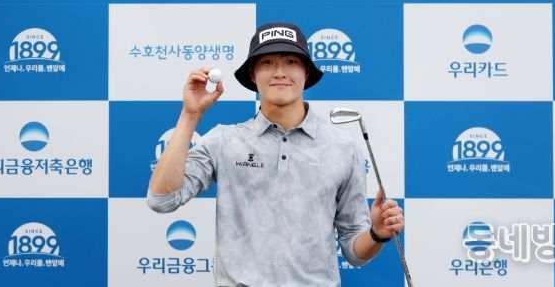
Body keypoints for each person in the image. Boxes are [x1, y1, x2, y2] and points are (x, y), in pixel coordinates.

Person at [147, 22, 405, 286]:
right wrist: (190, 115)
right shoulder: (224, 140)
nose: (280, 72)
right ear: (252, 74)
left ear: (306, 72)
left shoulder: (343, 146)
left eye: (291, 61)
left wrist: (376, 233)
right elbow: (162, 200)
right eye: (268, 62)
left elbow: (354, 252)